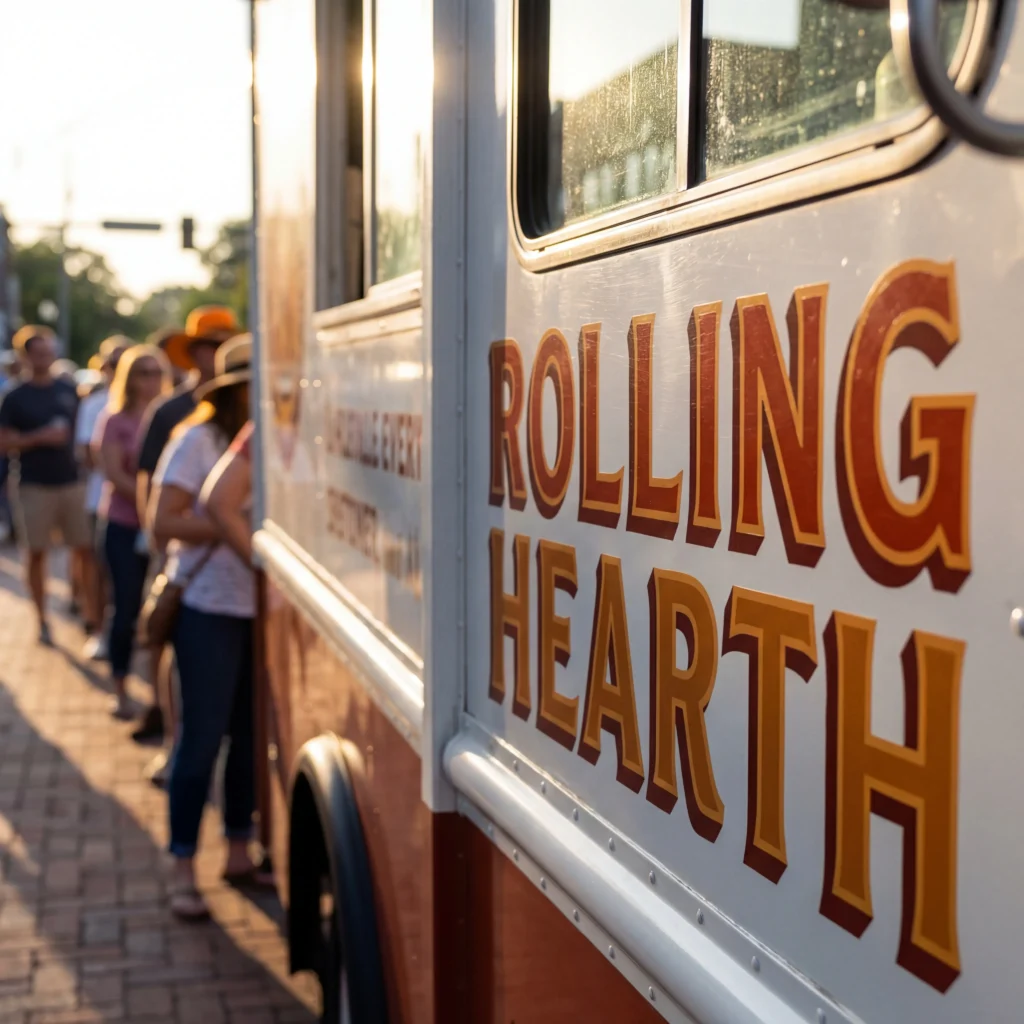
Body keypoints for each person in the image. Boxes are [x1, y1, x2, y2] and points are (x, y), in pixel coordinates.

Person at [150, 335, 258, 920]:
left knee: (246, 738)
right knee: (199, 740)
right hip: (208, 609)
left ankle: (238, 851)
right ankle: (182, 865)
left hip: (257, 612)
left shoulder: (272, 437)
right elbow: (161, 523)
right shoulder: (196, 440)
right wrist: (239, 527)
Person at [133, 308, 240, 750]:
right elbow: (148, 481)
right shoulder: (172, 412)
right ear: (193, 352)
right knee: (170, 642)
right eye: (207, 345)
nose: (213, 353)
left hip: (228, 573)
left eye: (221, 345)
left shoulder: (247, 417)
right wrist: (157, 538)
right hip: (186, 554)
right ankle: (167, 724)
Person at [0, 326, 97, 645]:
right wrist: (41, 437)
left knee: (83, 548)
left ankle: (86, 609)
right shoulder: (14, 396)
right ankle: (42, 619)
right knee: (36, 553)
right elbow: (4, 443)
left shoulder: (68, 389)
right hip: (33, 485)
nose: (45, 358)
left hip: (71, 482)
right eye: (38, 352)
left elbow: (85, 433)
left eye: (48, 351)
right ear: (26, 356)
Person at [95, 345, 172, 718]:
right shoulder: (114, 419)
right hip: (125, 526)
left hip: (163, 528)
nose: (151, 379)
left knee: (160, 612)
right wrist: (152, 505)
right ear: (129, 376)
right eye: (143, 371)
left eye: (157, 371)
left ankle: (161, 698)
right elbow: (114, 473)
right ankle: (122, 687)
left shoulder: (173, 416)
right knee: (125, 608)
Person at [76, 337, 131, 658]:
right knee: (98, 567)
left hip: (137, 505)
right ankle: (98, 629)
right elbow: (88, 455)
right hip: (103, 502)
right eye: (114, 362)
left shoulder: (151, 403)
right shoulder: (95, 405)